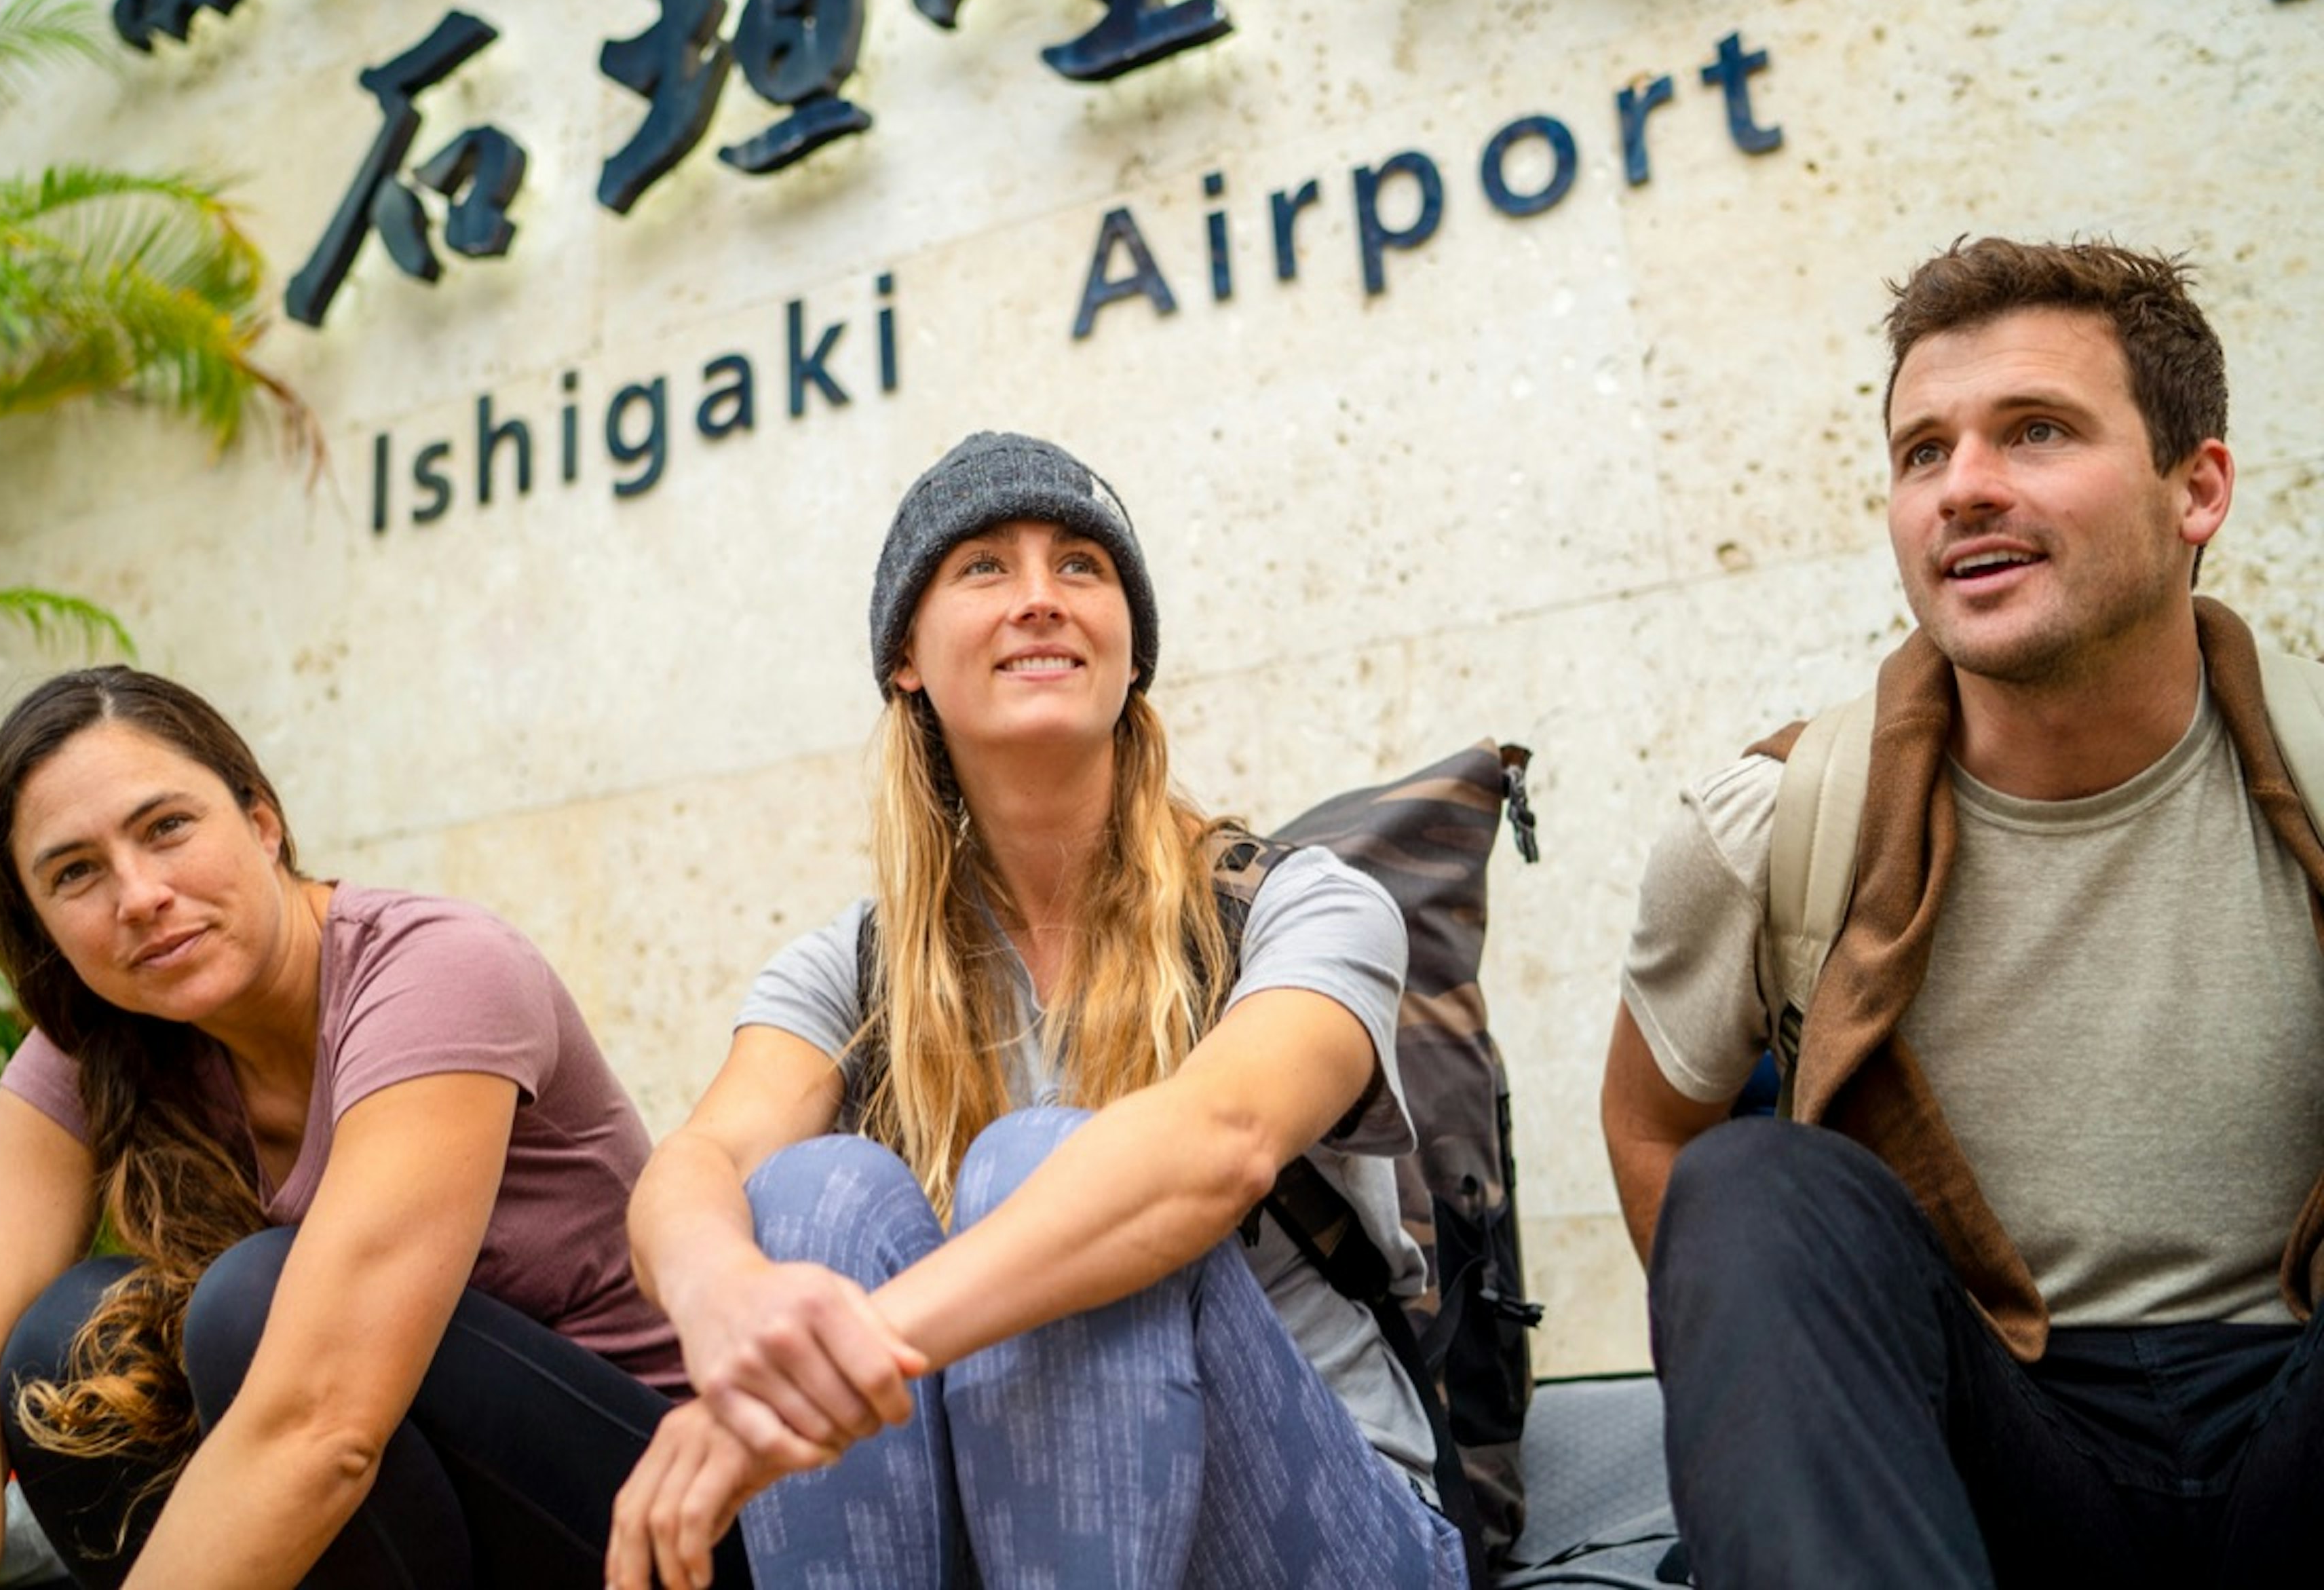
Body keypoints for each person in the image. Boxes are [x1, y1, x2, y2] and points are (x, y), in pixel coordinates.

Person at [605, 432, 1474, 1590]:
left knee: (1041, 1168)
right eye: (982, 569)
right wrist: (730, 1315)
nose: (1038, 602)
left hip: (1333, 1531)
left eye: (1079, 566)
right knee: (811, 1193)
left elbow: (1215, 1149)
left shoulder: (1298, 907)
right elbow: (696, 1162)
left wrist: (851, 1349)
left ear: (1130, 654)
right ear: (906, 657)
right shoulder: (859, 971)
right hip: (1005, 1536)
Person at [1599, 238, 2324, 1586]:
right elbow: (1652, 1126)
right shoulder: (1771, 823)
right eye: (1924, 451)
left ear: (2197, 487)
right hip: (1991, 1454)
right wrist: (1820, 1408)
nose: (1965, 487)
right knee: (1749, 1187)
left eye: (2036, 431)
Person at [0, 666, 742, 1590]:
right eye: (75, 872)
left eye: (166, 828)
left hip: (659, 1515)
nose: (139, 894)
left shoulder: (438, 973)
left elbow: (323, 1429)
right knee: (63, 1345)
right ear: (39, 922)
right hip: (411, 1524)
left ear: (261, 822)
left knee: (253, 1301)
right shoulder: (91, 1051)